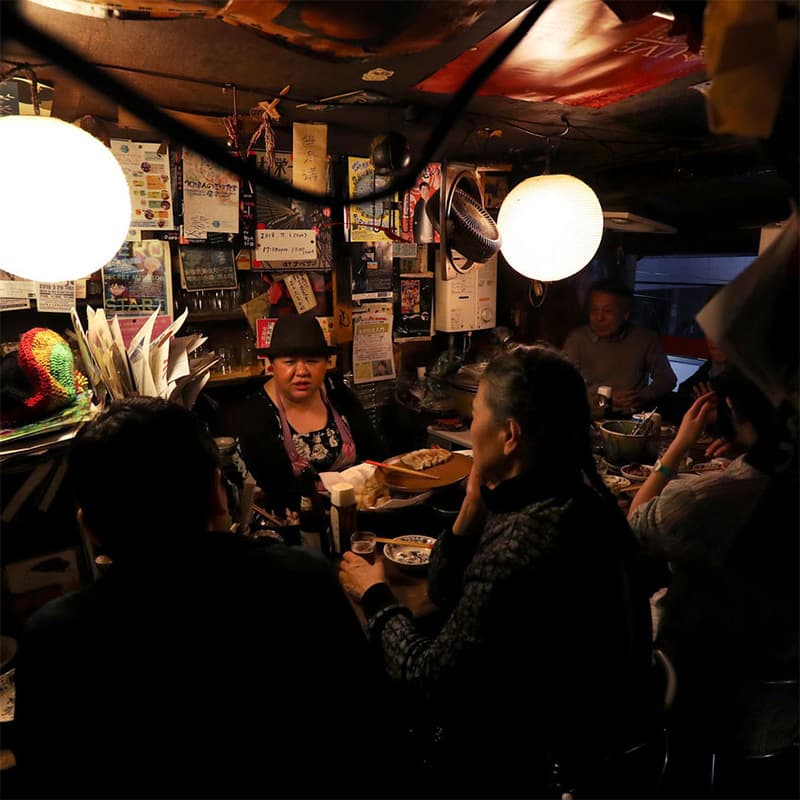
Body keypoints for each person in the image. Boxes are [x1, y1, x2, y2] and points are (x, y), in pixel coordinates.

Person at [12, 397, 386, 799]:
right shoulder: (304, 581)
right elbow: (369, 733)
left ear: (89, 527)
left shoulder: (52, 640)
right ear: (217, 494)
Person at [338, 344, 656, 798]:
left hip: (540, 768)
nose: (469, 426)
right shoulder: (577, 497)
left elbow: (428, 679)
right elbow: (446, 589)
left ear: (510, 435)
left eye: (475, 415)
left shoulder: (524, 540)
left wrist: (375, 595)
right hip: (593, 741)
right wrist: (470, 510)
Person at [627, 367, 798, 793]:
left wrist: (679, 446)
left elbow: (634, 526)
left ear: (733, 409)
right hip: (786, 705)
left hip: (705, 688)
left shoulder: (706, 499)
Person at [234, 313, 386, 523]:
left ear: (325, 363)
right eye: (289, 362)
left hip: (360, 514)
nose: (302, 371)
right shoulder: (256, 414)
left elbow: (375, 455)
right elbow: (279, 489)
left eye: (312, 361)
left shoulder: (337, 394)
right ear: (272, 366)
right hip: (299, 524)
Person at [563, 278, 676, 413]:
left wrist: (643, 395)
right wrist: (602, 399)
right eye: (594, 310)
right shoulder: (578, 339)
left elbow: (667, 378)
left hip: (631, 417)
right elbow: (563, 382)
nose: (599, 317)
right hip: (589, 415)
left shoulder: (645, 339)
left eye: (608, 311)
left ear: (626, 314)